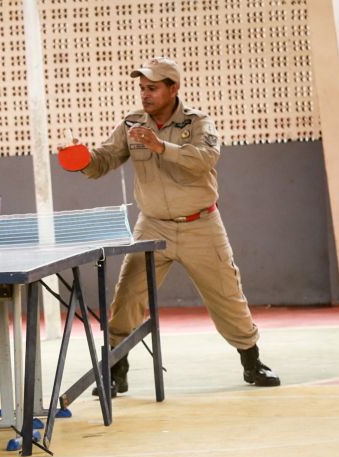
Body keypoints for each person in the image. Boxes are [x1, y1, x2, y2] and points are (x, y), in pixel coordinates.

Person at [62, 57, 280, 396]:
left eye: (152, 88)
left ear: (173, 88)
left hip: (201, 224)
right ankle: (117, 369)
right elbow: (103, 159)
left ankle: (251, 361)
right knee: (127, 297)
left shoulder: (199, 123)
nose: (145, 95)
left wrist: (161, 146)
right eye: (142, 88)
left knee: (227, 295)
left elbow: (204, 160)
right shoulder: (132, 124)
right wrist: (82, 159)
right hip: (152, 226)